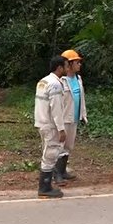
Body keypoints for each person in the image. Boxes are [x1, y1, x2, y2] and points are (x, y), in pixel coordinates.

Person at [34, 56, 68, 199]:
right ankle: (45, 187)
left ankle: (45, 186)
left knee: (46, 152)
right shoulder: (55, 84)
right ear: (59, 68)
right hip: (51, 124)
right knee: (51, 154)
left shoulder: (43, 81)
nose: (67, 69)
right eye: (66, 66)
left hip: (41, 122)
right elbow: (56, 109)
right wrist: (61, 129)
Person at [55, 49, 88, 186]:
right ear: (68, 64)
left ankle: (63, 171)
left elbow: (81, 99)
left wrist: (83, 115)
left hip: (73, 118)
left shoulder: (78, 79)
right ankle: (56, 174)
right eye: (77, 62)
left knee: (69, 146)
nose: (79, 64)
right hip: (63, 119)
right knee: (59, 147)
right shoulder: (60, 81)